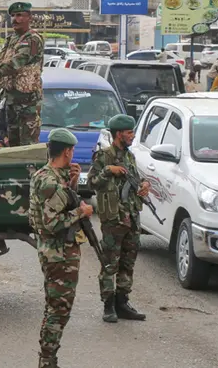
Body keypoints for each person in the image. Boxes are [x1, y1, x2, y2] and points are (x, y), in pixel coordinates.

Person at [29, 128, 92, 368]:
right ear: (67, 151)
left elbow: (59, 206)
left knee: (56, 307)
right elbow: (53, 222)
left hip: (57, 251)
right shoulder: (50, 182)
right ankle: (47, 360)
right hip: (58, 254)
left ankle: (49, 357)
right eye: (72, 150)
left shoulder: (47, 175)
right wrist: (81, 212)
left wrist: (72, 183)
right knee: (58, 309)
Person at [88, 114, 149, 324]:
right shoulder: (104, 156)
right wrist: (108, 170)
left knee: (128, 263)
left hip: (131, 217)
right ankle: (108, 305)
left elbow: (135, 179)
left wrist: (143, 186)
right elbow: (92, 183)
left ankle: (123, 302)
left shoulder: (130, 156)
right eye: (129, 132)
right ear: (118, 134)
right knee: (109, 264)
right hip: (114, 220)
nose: (132, 136)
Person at [0, 2, 44, 147]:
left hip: (27, 104)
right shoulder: (12, 39)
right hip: (11, 103)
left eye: (19, 15)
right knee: (12, 146)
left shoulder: (33, 39)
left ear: (29, 17)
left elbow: (15, 63)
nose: (15, 19)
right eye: (12, 16)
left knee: (27, 148)